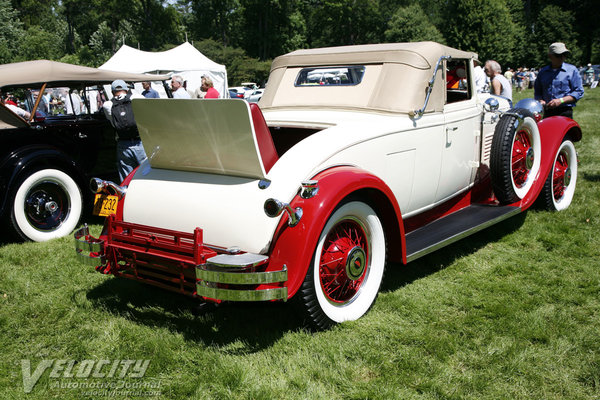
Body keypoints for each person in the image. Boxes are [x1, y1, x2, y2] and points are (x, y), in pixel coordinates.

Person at [102, 80, 147, 182]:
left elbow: (112, 121)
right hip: (140, 142)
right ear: (126, 89)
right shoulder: (137, 99)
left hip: (122, 144)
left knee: (126, 177)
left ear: (112, 92)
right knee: (145, 174)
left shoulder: (108, 105)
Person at [534, 42, 584, 119]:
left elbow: (578, 91)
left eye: (564, 55)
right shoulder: (543, 72)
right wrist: (540, 100)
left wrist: (561, 100)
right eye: (558, 55)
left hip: (564, 111)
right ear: (550, 56)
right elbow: (537, 91)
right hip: (547, 111)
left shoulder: (572, 70)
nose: (562, 58)